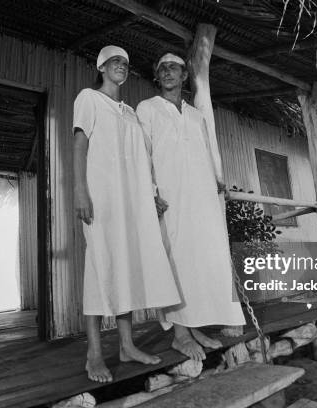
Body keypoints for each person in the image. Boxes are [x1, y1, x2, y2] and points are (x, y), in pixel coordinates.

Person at [72, 45, 181, 383]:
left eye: (125, 64)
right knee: (98, 266)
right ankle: (93, 353)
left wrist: (150, 196)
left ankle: (126, 346)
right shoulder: (88, 99)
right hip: (100, 198)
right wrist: (79, 190)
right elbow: (80, 145)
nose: (121, 67)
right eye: (115, 62)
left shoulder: (131, 112)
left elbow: (141, 162)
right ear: (102, 66)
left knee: (125, 267)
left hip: (130, 203)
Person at [136, 52, 245, 362]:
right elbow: (142, 153)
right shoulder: (147, 109)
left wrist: (216, 181)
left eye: (174, 68)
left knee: (206, 257)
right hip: (169, 196)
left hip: (202, 197)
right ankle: (180, 335)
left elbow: (207, 154)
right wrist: (149, 192)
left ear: (184, 76)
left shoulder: (196, 115)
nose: (168, 72)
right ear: (157, 77)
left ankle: (193, 325)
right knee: (174, 259)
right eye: (162, 68)